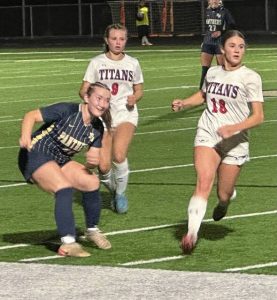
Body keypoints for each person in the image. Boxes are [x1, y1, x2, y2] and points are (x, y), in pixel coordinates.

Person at [171, 30, 264, 254]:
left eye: (241, 47)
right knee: (204, 181)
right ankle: (192, 233)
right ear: (222, 49)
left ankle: (225, 202)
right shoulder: (212, 72)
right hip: (209, 131)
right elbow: (203, 95)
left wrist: (233, 128)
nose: (237, 50)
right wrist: (184, 103)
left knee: (223, 193)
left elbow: (258, 116)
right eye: (232, 46)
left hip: (235, 140)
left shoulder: (250, 77)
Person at [18, 82, 113, 257]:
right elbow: (30, 115)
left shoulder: (97, 127)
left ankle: (92, 230)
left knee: (92, 181)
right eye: (98, 98)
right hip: (35, 153)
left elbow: (93, 160)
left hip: (60, 160)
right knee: (63, 189)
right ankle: (68, 243)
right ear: (86, 98)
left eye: (106, 100)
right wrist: (25, 135)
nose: (102, 104)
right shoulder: (67, 110)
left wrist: (93, 161)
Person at [79, 23, 144, 214]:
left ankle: (121, 194)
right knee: (104, 166)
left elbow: (139, 89)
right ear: (106, 40)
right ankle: (116, 191)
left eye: (122, 39)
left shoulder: (133, 62)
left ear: (126, 41)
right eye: (114, 38)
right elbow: (83, 89)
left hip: (126, 114)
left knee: (118, 155)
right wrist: (89, 99)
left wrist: (134, 98)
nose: (118, 42)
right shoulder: (96, 63)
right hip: (102, 119)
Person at [199, 0, 236, 89]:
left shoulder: (224, 12)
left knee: (222, 69)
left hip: (220, 43)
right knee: (205, 69)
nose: (214, 1)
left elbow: (232, 25)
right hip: (208, 42)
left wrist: (221, 32)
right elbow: (208, 28)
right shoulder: (206, 11)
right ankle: (202, 92)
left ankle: (225, 90)